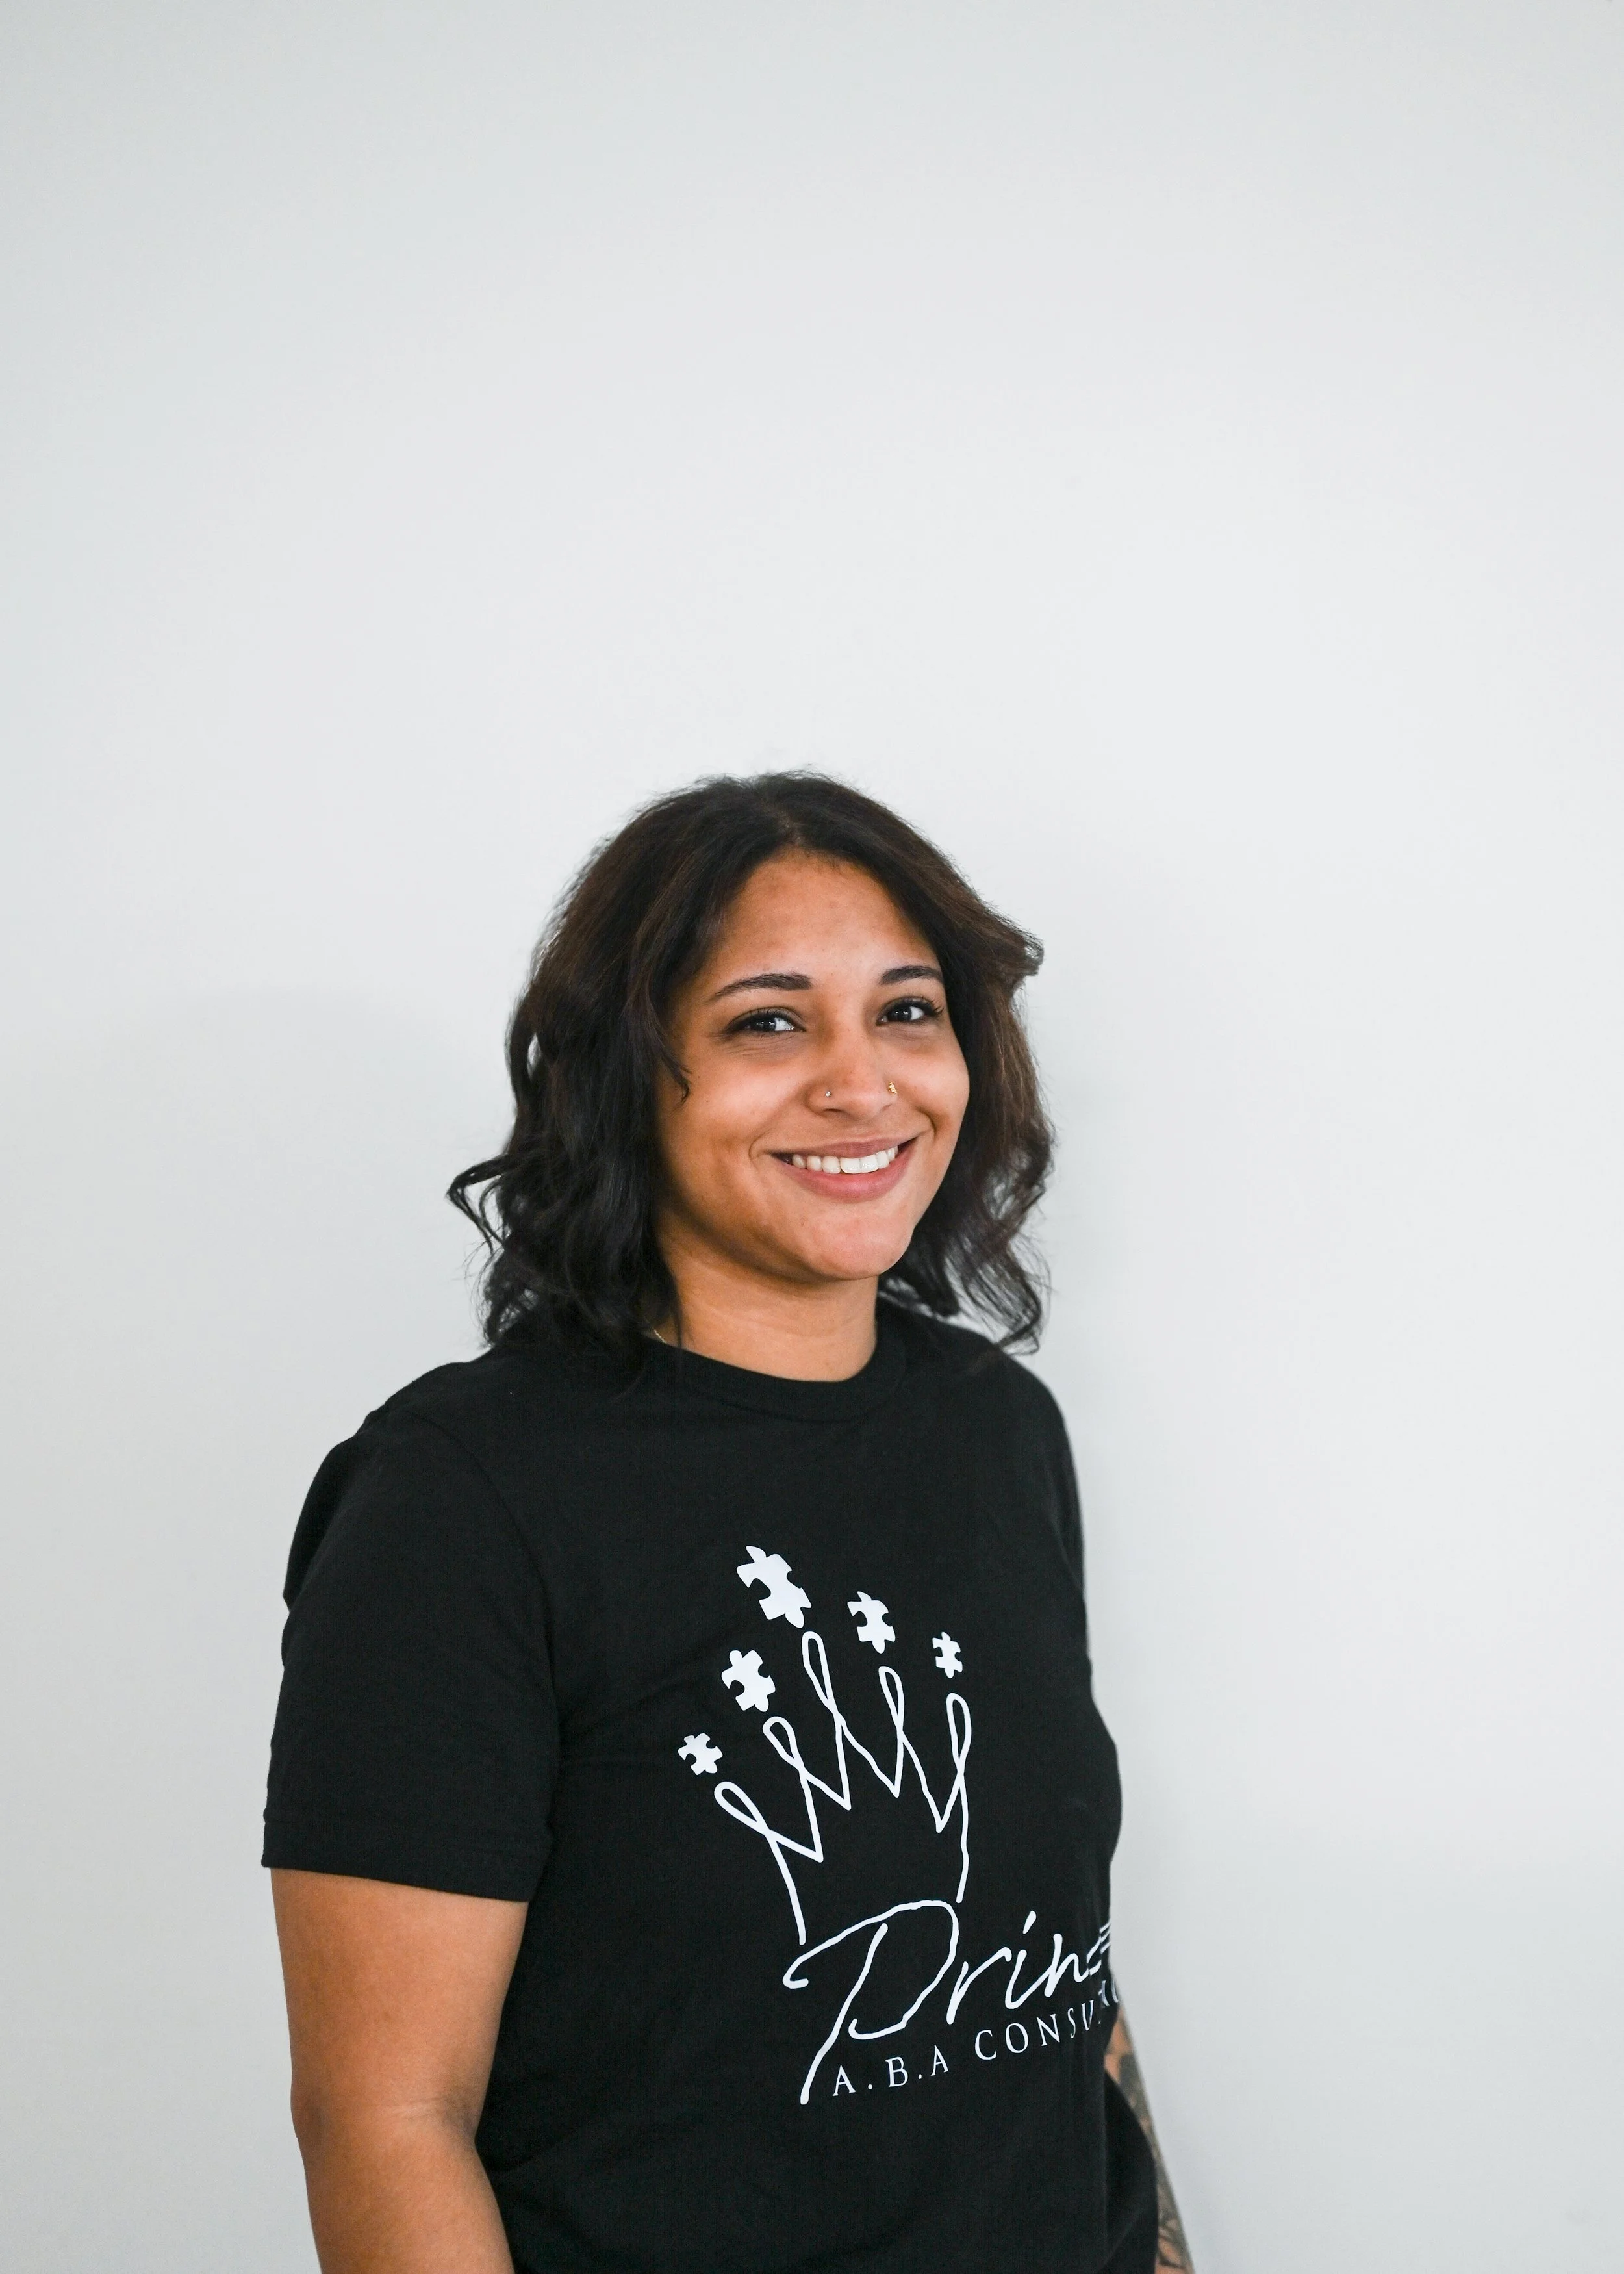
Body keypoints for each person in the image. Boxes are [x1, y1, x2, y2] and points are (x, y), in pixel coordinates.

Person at [264, 773, 1194, 2273]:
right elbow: (383, 2117)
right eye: (767, 1021)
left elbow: (1061, 1986)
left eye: (906, 1011)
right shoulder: (461, 1497)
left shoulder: (995, 1430)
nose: (861, 1082)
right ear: (627, 1077)